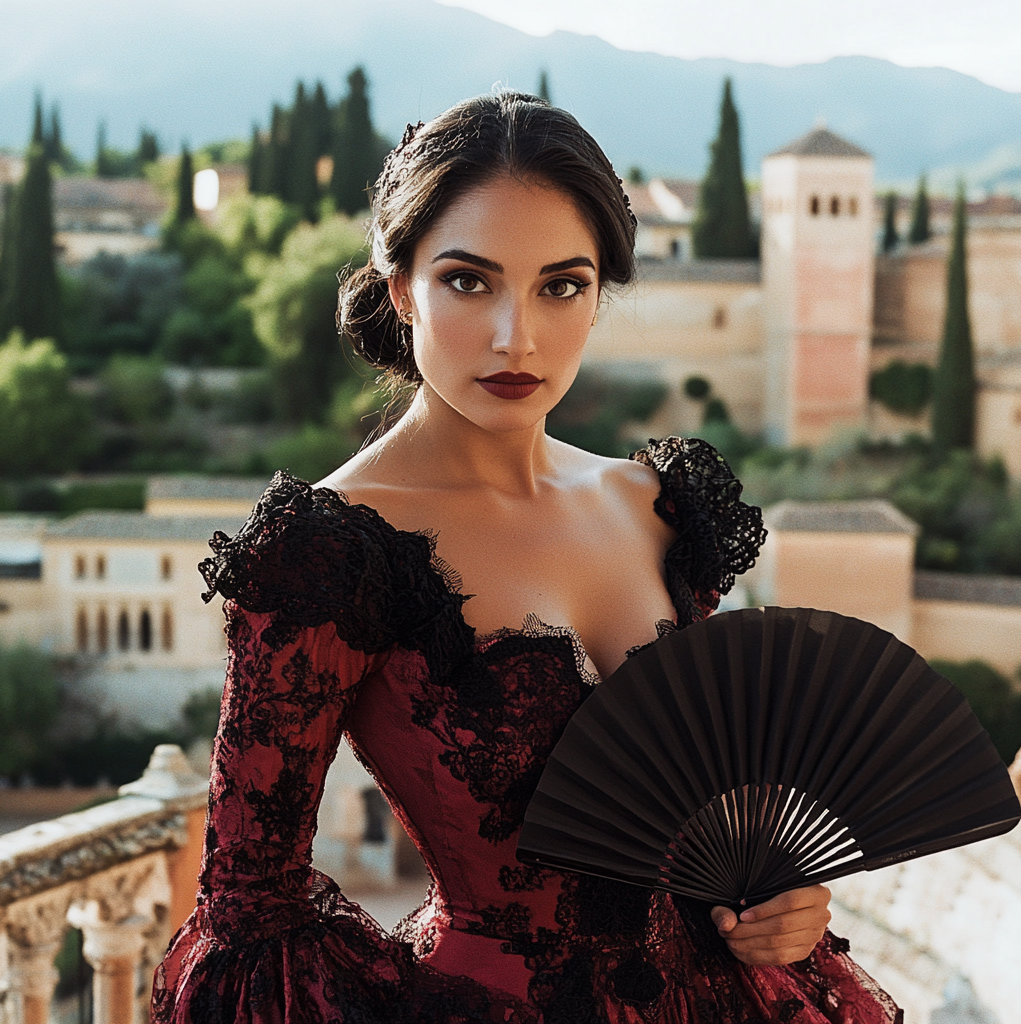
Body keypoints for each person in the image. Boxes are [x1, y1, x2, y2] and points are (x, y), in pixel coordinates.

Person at [152, 93, 901, 1023]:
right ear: (400, 288)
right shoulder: (329, 555)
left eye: (562, 285)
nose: (520, 337)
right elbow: (248, 913)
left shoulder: (656, 507)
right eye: (469, 281)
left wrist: (775, 909)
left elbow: (705, 803)